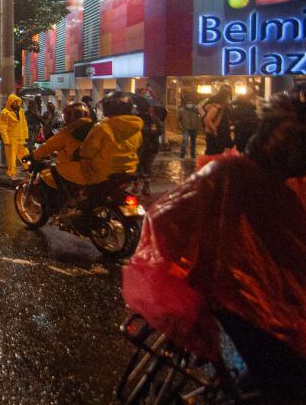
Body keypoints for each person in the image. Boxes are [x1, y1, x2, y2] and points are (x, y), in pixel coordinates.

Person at [122, 93, 306, 397]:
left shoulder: (277, 182)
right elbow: (167, 221)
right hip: (244, 302)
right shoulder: (230, 176)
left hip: (264, 299)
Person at [78, 90, 142, 185]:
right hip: (130, 170)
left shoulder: (102, 127)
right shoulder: (136, 126)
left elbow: (87, 152)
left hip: (103, 173)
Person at [31, 101, 93, 193]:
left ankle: (56, 206)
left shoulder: (67, 132)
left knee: (46, 177)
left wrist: (33, 155)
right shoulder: (95, 128)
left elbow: (47, 146)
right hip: (93, 169)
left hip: (75, 170)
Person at [134, 96, 161, 196]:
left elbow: (159, 130)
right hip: (140, 146)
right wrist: (150, 130)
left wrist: (153, 128)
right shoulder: (136, 118)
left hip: (150, 147)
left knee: (146, 166)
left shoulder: (153, 119)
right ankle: (136, 185)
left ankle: (145, 186)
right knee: (138, 166)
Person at [0, 94, 29, 179]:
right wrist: (6, 140)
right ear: (10, 102)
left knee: (25, 154)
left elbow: (24, 124)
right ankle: (11, 172)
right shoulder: (5, 112)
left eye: (17, 101)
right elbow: (2, 127)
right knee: (11, 157)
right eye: (14, 101)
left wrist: (25, 136)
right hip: (11, 138)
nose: (16, 103)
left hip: (20, 138)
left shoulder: (21, 111)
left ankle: (30, 169)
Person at [201, 85, 232, 156]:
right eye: (228, 97)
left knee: (217, 154)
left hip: (219, 133)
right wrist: (214, 130)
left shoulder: (221, 106)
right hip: (215, 134)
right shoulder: (216, 107)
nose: (229, 99)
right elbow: (207, 120)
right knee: (213, 154)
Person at [229, 89, 259, 153]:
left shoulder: (235, 110)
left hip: (239, 133)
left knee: (240, 150)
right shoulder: (251, 110)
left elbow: (230, 121)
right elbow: (256, 121)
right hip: (250, 134)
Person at [177, 94, 202, 158]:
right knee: (185, 141)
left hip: (194, 128)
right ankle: (182, 154)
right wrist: (181, 127)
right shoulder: (181, 110)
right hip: (186, 128)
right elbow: (178, 119)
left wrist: (198, 125)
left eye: (190, 102)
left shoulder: (196, 109)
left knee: (193, 142)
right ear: (186, 103)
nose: (189, 103)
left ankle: (192, 154)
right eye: (188, 102)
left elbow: (202, 116)